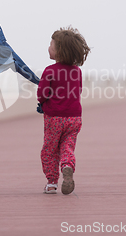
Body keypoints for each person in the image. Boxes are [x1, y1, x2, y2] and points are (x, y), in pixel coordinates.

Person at [37, 26, 90, 195]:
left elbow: (42, 94)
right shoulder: (77, 72)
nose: (48, 48)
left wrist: (43, 104)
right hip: (74, 118)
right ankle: (67, 165)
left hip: (54, 118)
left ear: (59, 51)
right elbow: (78, 91)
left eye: (51, 45)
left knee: (50, 150)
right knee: (67, 147)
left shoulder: (49, 71)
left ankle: (52, 182)